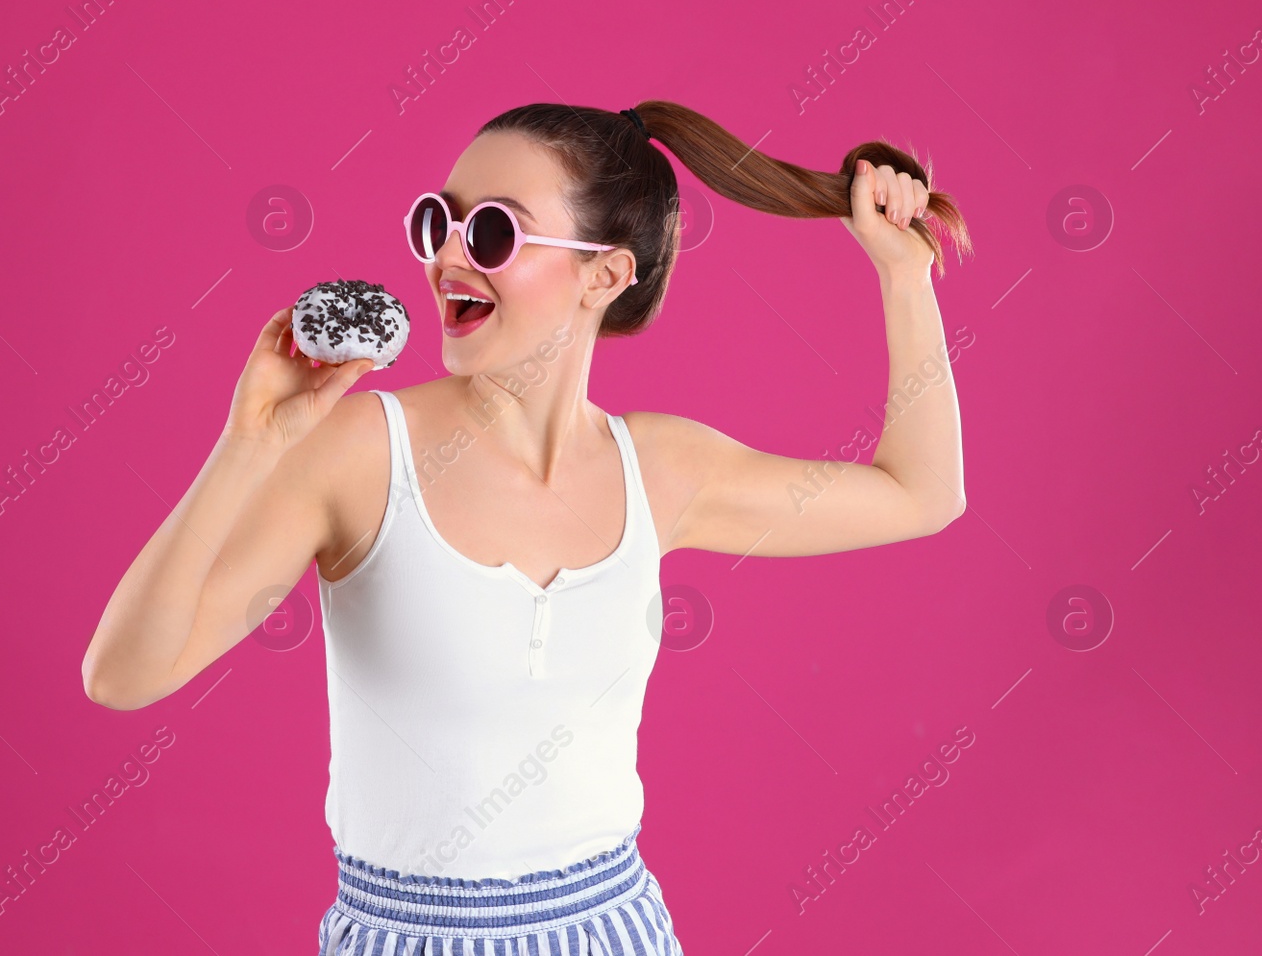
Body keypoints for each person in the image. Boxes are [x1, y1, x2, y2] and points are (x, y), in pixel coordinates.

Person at [80, 101, 973, 953]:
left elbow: (920, 492)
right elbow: (124, 674)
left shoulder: (662, 471)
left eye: (494, 232)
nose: (447, 259)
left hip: (617, 929)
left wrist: (903, 274)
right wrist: (249, 446)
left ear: (605, 275)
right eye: (439, 223)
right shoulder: (362, 450)